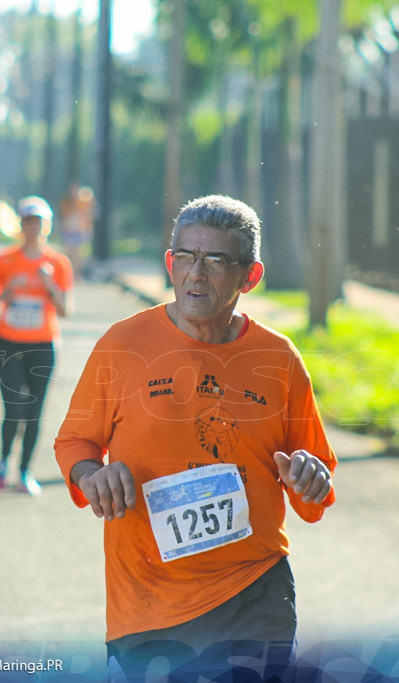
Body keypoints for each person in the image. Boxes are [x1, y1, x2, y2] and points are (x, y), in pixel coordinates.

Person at [53, 195, 336, 678]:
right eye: (185, 256)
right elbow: (75, 442)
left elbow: (316, 477)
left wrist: (313, 478)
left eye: (217, 260)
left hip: (254, 591)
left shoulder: (279, 358)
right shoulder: (123, 346)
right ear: (169, 263)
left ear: (250, 276)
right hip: (147, 598)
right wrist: (90, 475)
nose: (196, 274)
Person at [0, 196, 74, 495]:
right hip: (8, 343)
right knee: (14, 407)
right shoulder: (6, 260)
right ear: (21, 225)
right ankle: (2, 464)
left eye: (38, 222)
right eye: (28, 221)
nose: (33, 227)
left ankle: (24, 472)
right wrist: (3, 293)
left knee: (35, 409)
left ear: (46, 226)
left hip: (42, 344)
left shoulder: (58, 263)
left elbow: (65, 309)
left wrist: (49, 285)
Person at [59, 184, 96, 280]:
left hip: (80, 231)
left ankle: (77, 273)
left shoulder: (83, 202)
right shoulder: (66, 202)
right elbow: (64, 215)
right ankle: (70, 273)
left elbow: (89, 212)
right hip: (69, 230)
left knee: (79, 254)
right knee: (71, 253)